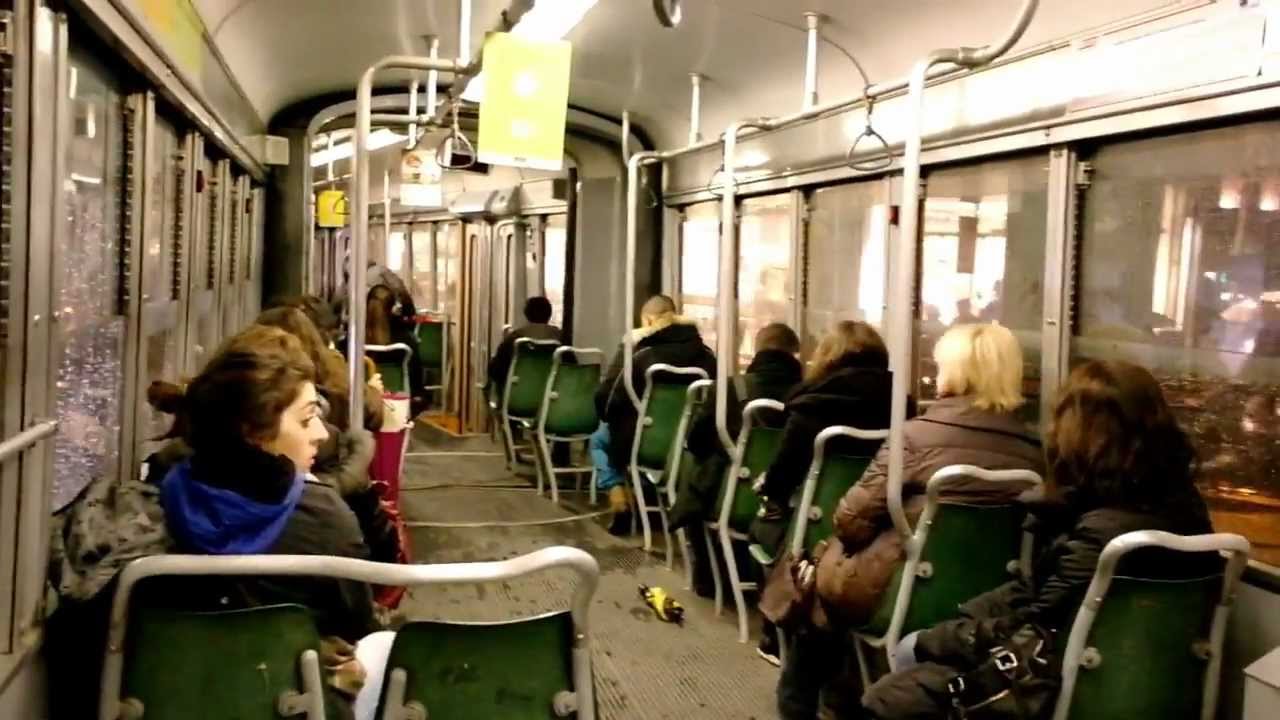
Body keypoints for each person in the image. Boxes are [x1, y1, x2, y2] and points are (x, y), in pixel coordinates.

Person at [860, 360, 1217, 719]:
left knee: (896, 678)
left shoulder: (1099, 533)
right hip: (1161, 690)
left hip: (1057, 685)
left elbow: (1033, 624)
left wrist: (941, 637)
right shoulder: (1189, 513)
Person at [775, 323, 1044, 719]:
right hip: (990, 599)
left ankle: (803, 702)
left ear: (955, 372)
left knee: (823, 577)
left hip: (905, 594)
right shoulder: (1034, 450)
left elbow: (850, 519)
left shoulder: (915, 437)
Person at [151, 326, 380, 716]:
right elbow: (356, 621)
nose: (320, 434)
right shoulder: (322, 518)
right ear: (254, 432)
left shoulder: (157, 498)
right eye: (306, 420)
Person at [751, 321, 898, 670]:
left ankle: (775, 632)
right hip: (877, 529)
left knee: (764, 528)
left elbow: (781, 479)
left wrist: (766, 486)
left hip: (815, 531)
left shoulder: (812, 405)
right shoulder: (900, 405)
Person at [592, 295, 716, 530]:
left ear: (648, 320)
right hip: (688, 448)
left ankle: (617, 492)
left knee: (599, 439)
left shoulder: (640, 354)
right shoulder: (708, 356)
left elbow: (607, 399)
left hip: (644, 444)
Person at [672, 322, 803, 532]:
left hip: (730, 498)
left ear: (757, 350)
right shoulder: (808, 397)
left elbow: (696, 442)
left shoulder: (728, 389)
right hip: (787, 505)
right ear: (795, 353)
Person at [367, 283, 426, 415]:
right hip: (398, 403)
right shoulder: (405, 341)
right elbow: (416, 379)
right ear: (393, 309)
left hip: (364, 402)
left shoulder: (353, 341)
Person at [487, 296, 563, 390]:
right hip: (550, 394)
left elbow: (495, 370)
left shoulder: (515, 337)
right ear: (549, 314)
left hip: (517, 393)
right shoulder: (561, 338)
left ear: (526, 314)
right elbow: (571, 367)